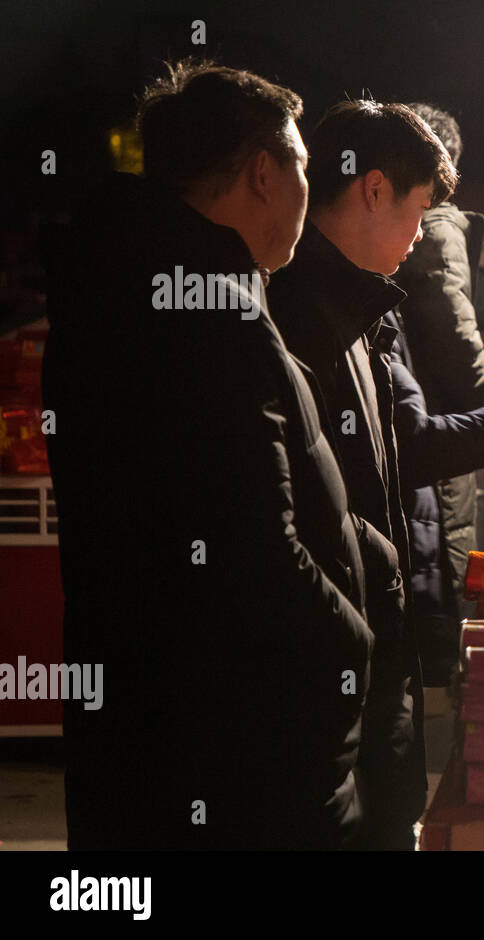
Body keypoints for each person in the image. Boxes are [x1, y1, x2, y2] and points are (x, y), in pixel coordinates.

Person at [42, 61, 374, 849]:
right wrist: (348, 641)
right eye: (300, 166)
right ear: (263, 173)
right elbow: (251, 538)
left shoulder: (117, 283)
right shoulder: (208, 308)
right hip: (239, 748)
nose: (307, 189)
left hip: (151, 728)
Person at [268, 100, 484, 848]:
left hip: (379, 636)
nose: (422, 236)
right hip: (335, 652)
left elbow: (406, 444)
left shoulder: (370, 307)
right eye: (419, 212)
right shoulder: (291, 310)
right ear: (375, 190)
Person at [390, 103, 484, 689]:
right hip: (439, 425)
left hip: (422, 419)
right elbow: (457, 332)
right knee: (439, 559)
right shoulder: (437, 224)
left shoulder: (422, 223)